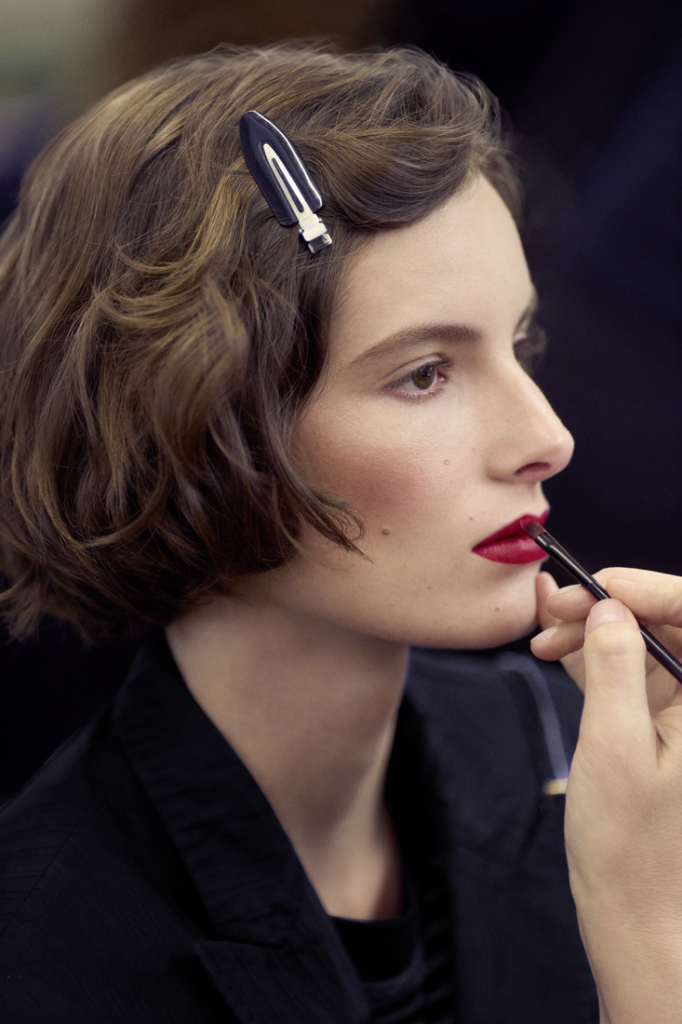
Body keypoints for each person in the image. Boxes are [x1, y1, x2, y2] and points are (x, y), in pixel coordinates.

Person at [0, 41, 679, 1023]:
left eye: (520, 342)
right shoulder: (43, 961)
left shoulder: (581, 757)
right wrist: (649, 947)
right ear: (200, 424)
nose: (548, 438)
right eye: (424, 374)